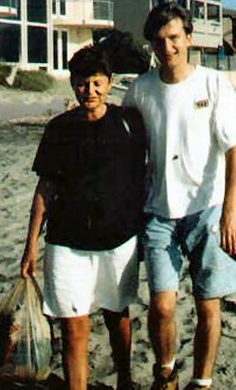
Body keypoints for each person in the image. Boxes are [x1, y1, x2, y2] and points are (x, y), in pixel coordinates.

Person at [123, 2, 236, 390]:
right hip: (158, 213)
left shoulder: (214, 83)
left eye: (175, 38)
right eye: (159, 40)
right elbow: (126, 150)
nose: (168, 47)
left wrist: (229, 214)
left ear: (189, 38)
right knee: (161, 305)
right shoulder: (140, 90)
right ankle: (166, 373)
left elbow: (234, 150)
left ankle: (202, 381)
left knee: (208, 305)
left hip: (207, 211)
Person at [20, 45, 147, 390]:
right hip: (67, 242)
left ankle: (124, 379)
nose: (89, 90)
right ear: (72, 83)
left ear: (109, 83)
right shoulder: (58, 129)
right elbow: (45, 188)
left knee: (116, 315)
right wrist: (31, 245)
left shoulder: (129, 123)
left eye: (96, 83)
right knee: (73, 326)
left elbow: (147, 176)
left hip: (118, 241)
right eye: (81, 83)